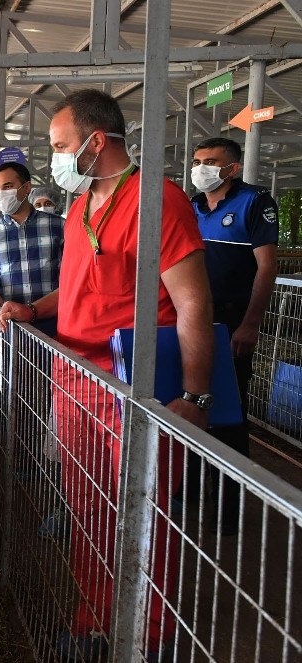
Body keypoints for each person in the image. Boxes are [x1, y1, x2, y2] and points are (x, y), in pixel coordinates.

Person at [0, 89, 213, 662]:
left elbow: (192, 301)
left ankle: (146, 636)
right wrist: (33, 310)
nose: (54, 159)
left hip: (133, 385)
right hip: (75, 379)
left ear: (95, 142)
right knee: (88, 507)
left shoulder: (157, 200)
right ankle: (94, 616)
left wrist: (195, 395)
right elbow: (74, 289)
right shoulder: (78, 208)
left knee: (142, 509)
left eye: (59, 146)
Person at [187, 136, 278, 535]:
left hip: (232, 322)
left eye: (210, 161)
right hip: (191, 319)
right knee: (189, 405)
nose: (201, 168)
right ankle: (189, 492)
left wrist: (251, 323)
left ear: (233, 168)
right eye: (197, 161)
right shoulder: (191, 205)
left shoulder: (254, 202)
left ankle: (228, 510)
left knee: (228, 414)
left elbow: (267, 266)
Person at [0, 162, 64, 337]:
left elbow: (76, 275)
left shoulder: (58, 226)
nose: (1, 194)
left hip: (52, 323)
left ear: (27, 187)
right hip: (8, 325)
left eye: (7, 186)